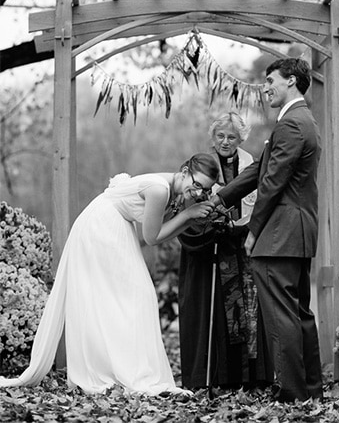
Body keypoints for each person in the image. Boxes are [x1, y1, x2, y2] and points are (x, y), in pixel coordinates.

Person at [0, 154, 219, 395]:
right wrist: (188, 215)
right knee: (138, 293)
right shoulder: (159, 189)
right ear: (185, 171)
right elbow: (152, 237)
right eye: (196, 185)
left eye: (204, 190)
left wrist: (188, 216)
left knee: (130, 297)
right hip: (102, 224)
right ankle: (123, 370)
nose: (198, 193)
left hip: (113, 225)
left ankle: (121, 366)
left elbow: (156, 236)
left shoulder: (173, 192)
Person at [209, 57, 323, 402]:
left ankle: (292, 392)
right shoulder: (303, 120)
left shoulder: (291, 123)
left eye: (271, 79)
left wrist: (253, 231)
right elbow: (261, 168)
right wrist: (222, 198)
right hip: (299, 233)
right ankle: (310, 390)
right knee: (300, 312)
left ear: (290, 80)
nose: (266, 87)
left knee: (281, 315)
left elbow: (272, 182)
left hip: (279, 236)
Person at [178, 113, 271, 390]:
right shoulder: (201, 167)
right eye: (220, 136)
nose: (226, 142)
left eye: (232, 137)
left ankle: (250, 377)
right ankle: (218, 376)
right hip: (215, 249)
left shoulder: (251, 165)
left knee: (249, 314)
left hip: (244, 250)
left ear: (241, 138)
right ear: (213, 137)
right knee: (221, 313)